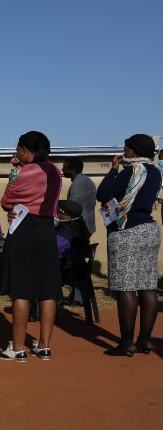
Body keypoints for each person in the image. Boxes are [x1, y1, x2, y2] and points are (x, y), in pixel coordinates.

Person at [0, 131, 62, 362]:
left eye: (18, 150)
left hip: (23, 228)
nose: (16, 154)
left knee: (21, 290)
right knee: (48, 290)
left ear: (24, 149)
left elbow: (6, 201)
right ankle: (44, 346)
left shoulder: (22, 172)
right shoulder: (56, 171)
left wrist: (15, 173)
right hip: (46, 230)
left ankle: (18, 347)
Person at [96, 134, 162, 356]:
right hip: (149, 231)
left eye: (126, 149)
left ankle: (126, 343)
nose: (124, 152)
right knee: (147, 285)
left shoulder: (130, 171)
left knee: (126, 287)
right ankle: (145, 340)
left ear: (134, 151)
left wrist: (114, 169)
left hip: (127, 231)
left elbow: (103, 194)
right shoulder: (155, 172)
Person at [62, 156, 97, 234]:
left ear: (73, 171)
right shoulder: (87, 180)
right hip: (87, 225)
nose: (62, 170)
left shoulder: (77, 183)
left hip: (80, 227)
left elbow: (72, 208)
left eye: (64, 168)